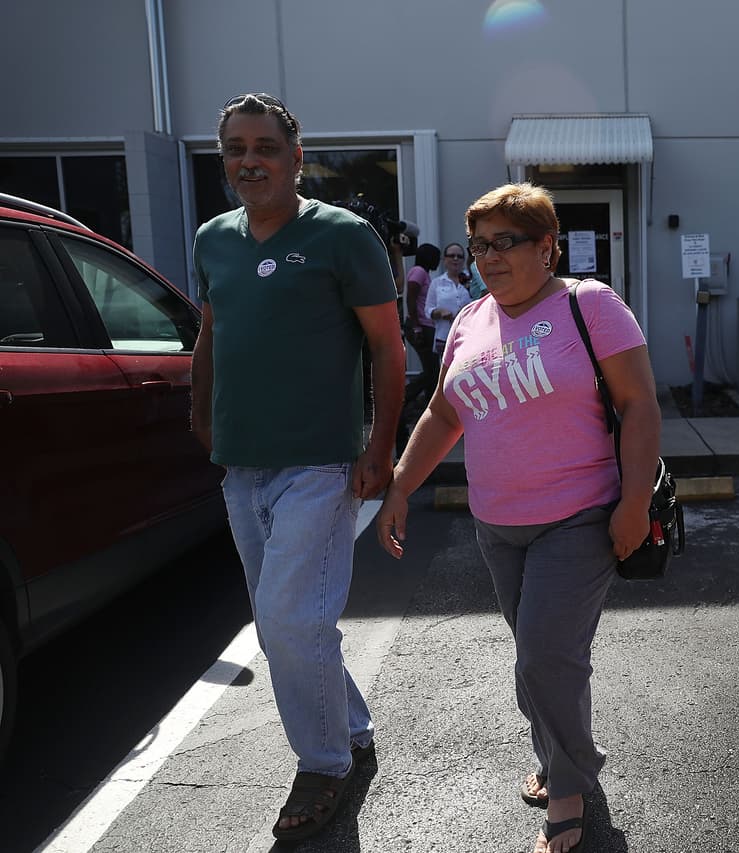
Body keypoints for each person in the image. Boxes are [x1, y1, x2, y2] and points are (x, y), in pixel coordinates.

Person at [375, 183, 660, 853]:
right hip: (497, 524)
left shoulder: (589, 306)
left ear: (546, 246)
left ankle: (570, 789)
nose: (490, 258)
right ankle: (558, 754)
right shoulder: (471, 320)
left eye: (507, 243)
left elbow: (640, 405)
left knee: (543, 656)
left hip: (578, 518)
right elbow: (445, 414)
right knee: (544, 659)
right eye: (480, 245)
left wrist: (634, 503)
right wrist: (398, 487)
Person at [190, 93, 405, 843]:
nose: (249, 161)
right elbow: (212, 329)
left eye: (265, 147)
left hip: (319, 460)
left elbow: (386, 346)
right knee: (290, 620)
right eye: (234, 149)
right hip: (240, 463)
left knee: (288, 619)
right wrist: (200, 408)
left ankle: (326, 763)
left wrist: (380, 448)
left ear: (296, 157)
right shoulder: (213, 238)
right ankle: (351, 724)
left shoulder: (342, 236)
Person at [402, 242, 442, 408]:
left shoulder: (424, 274)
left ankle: (426, 403)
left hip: (426, 326)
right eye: (436, 257)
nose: (438, 261)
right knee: (432, 371)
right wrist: (417, 328)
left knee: (433, 371)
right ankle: (404, 399)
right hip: (419, 327)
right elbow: (410, 299)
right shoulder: (419, 272)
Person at [423, 241, 474, 355]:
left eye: (459, 256)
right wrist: (439, 312)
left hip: (468, 336)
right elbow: (428, 310)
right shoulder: (437, 283)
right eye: (451, 255)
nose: (455, 259)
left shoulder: (472, 280)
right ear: (444, 259)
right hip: (444, 336)